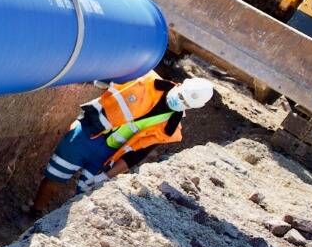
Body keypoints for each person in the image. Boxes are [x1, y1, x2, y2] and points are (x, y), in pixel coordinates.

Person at [29, 74, 217, 215]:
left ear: (191, 108)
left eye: (185, 102)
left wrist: (106, 175)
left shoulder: (169, 129)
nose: (179, 101)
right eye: (181, 95)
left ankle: (57, 226)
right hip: (86, 134)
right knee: (55, 176)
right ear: (180, 84)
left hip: (108, 155)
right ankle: (34, 213)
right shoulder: (145, 79)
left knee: (84, 196)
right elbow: (106, 78)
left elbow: (137, 154)